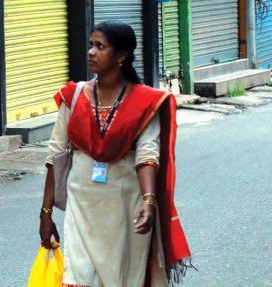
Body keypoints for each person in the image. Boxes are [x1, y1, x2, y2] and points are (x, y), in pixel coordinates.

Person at [38, 21, 192, 287]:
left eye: (100, 46)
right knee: (78, 277)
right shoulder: (73, 97)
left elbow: (147, 155)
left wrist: (148, 201)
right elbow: (54, 157)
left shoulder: (145, 103)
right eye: (90, 45)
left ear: (121, 56)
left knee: (123, 280)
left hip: (125, 208)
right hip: (81, 206)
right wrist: (46, 212)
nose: (91, 52)